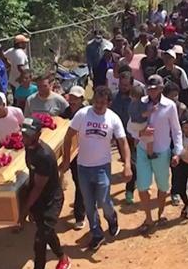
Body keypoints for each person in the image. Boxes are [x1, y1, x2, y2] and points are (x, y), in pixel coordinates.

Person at [61, 86, 132, 250]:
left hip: (102, 167)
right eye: (96, 102)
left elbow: (123, 142)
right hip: (83, 167)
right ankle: (97, 233)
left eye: (102, 103)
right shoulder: (82, 114)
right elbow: (68, 136)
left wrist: (127, 164)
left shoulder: (113, 119)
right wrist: (66, 159)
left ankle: (112, 218)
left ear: (109, 103)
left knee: (104, 201)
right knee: (89, 203)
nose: (98, 105)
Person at [129, 75, 182, 234]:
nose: (152, 91)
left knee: (163, 185)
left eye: (155, 88)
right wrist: (140, 132)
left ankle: (161, 213)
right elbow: (130, 126)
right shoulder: (140, 103)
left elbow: (176, 130)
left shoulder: (170, 106)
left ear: (161, 88)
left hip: (162, 151)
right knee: (143, 186)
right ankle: (148, 218)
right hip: (143, 150)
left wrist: (177, 152)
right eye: (149, 88)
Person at [17, 118, 72, 269]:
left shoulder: (44, 156)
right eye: (23, 134)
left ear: (38, 134)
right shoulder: (29, 147)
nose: (24, 137)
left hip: (51, 201)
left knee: (40, 241)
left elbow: (38, 188)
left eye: (28, 135)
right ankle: (63, 257)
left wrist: (24, 210)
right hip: (39, 200)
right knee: (46, 232)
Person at [59, 86, 86, 230]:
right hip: (70, 153)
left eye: (76, 98)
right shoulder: (65, 113)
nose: (72, 101)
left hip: (85, 153)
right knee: (79, 182)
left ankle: (80, 215)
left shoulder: (87, 113)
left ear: (82, 99)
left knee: (81, 183)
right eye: (71, 98)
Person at [110, 72, 139, 205]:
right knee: (128, 162)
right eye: (121, 85)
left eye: (126, 85)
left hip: (135, 136)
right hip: (120, 137)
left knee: (132, 163)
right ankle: (135, 180)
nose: (123, 87)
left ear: (131, 84)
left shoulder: (137, 98)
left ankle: (129, 191)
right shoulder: (114, 97)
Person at [128, 85, 154, 158]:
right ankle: (150, 153)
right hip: (141, 123)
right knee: (150, 137)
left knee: (137, 137)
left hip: (132, 123)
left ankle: (136, 148)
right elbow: (143, 114)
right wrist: (151, 111)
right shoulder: (141, 104)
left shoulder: (131, 104)